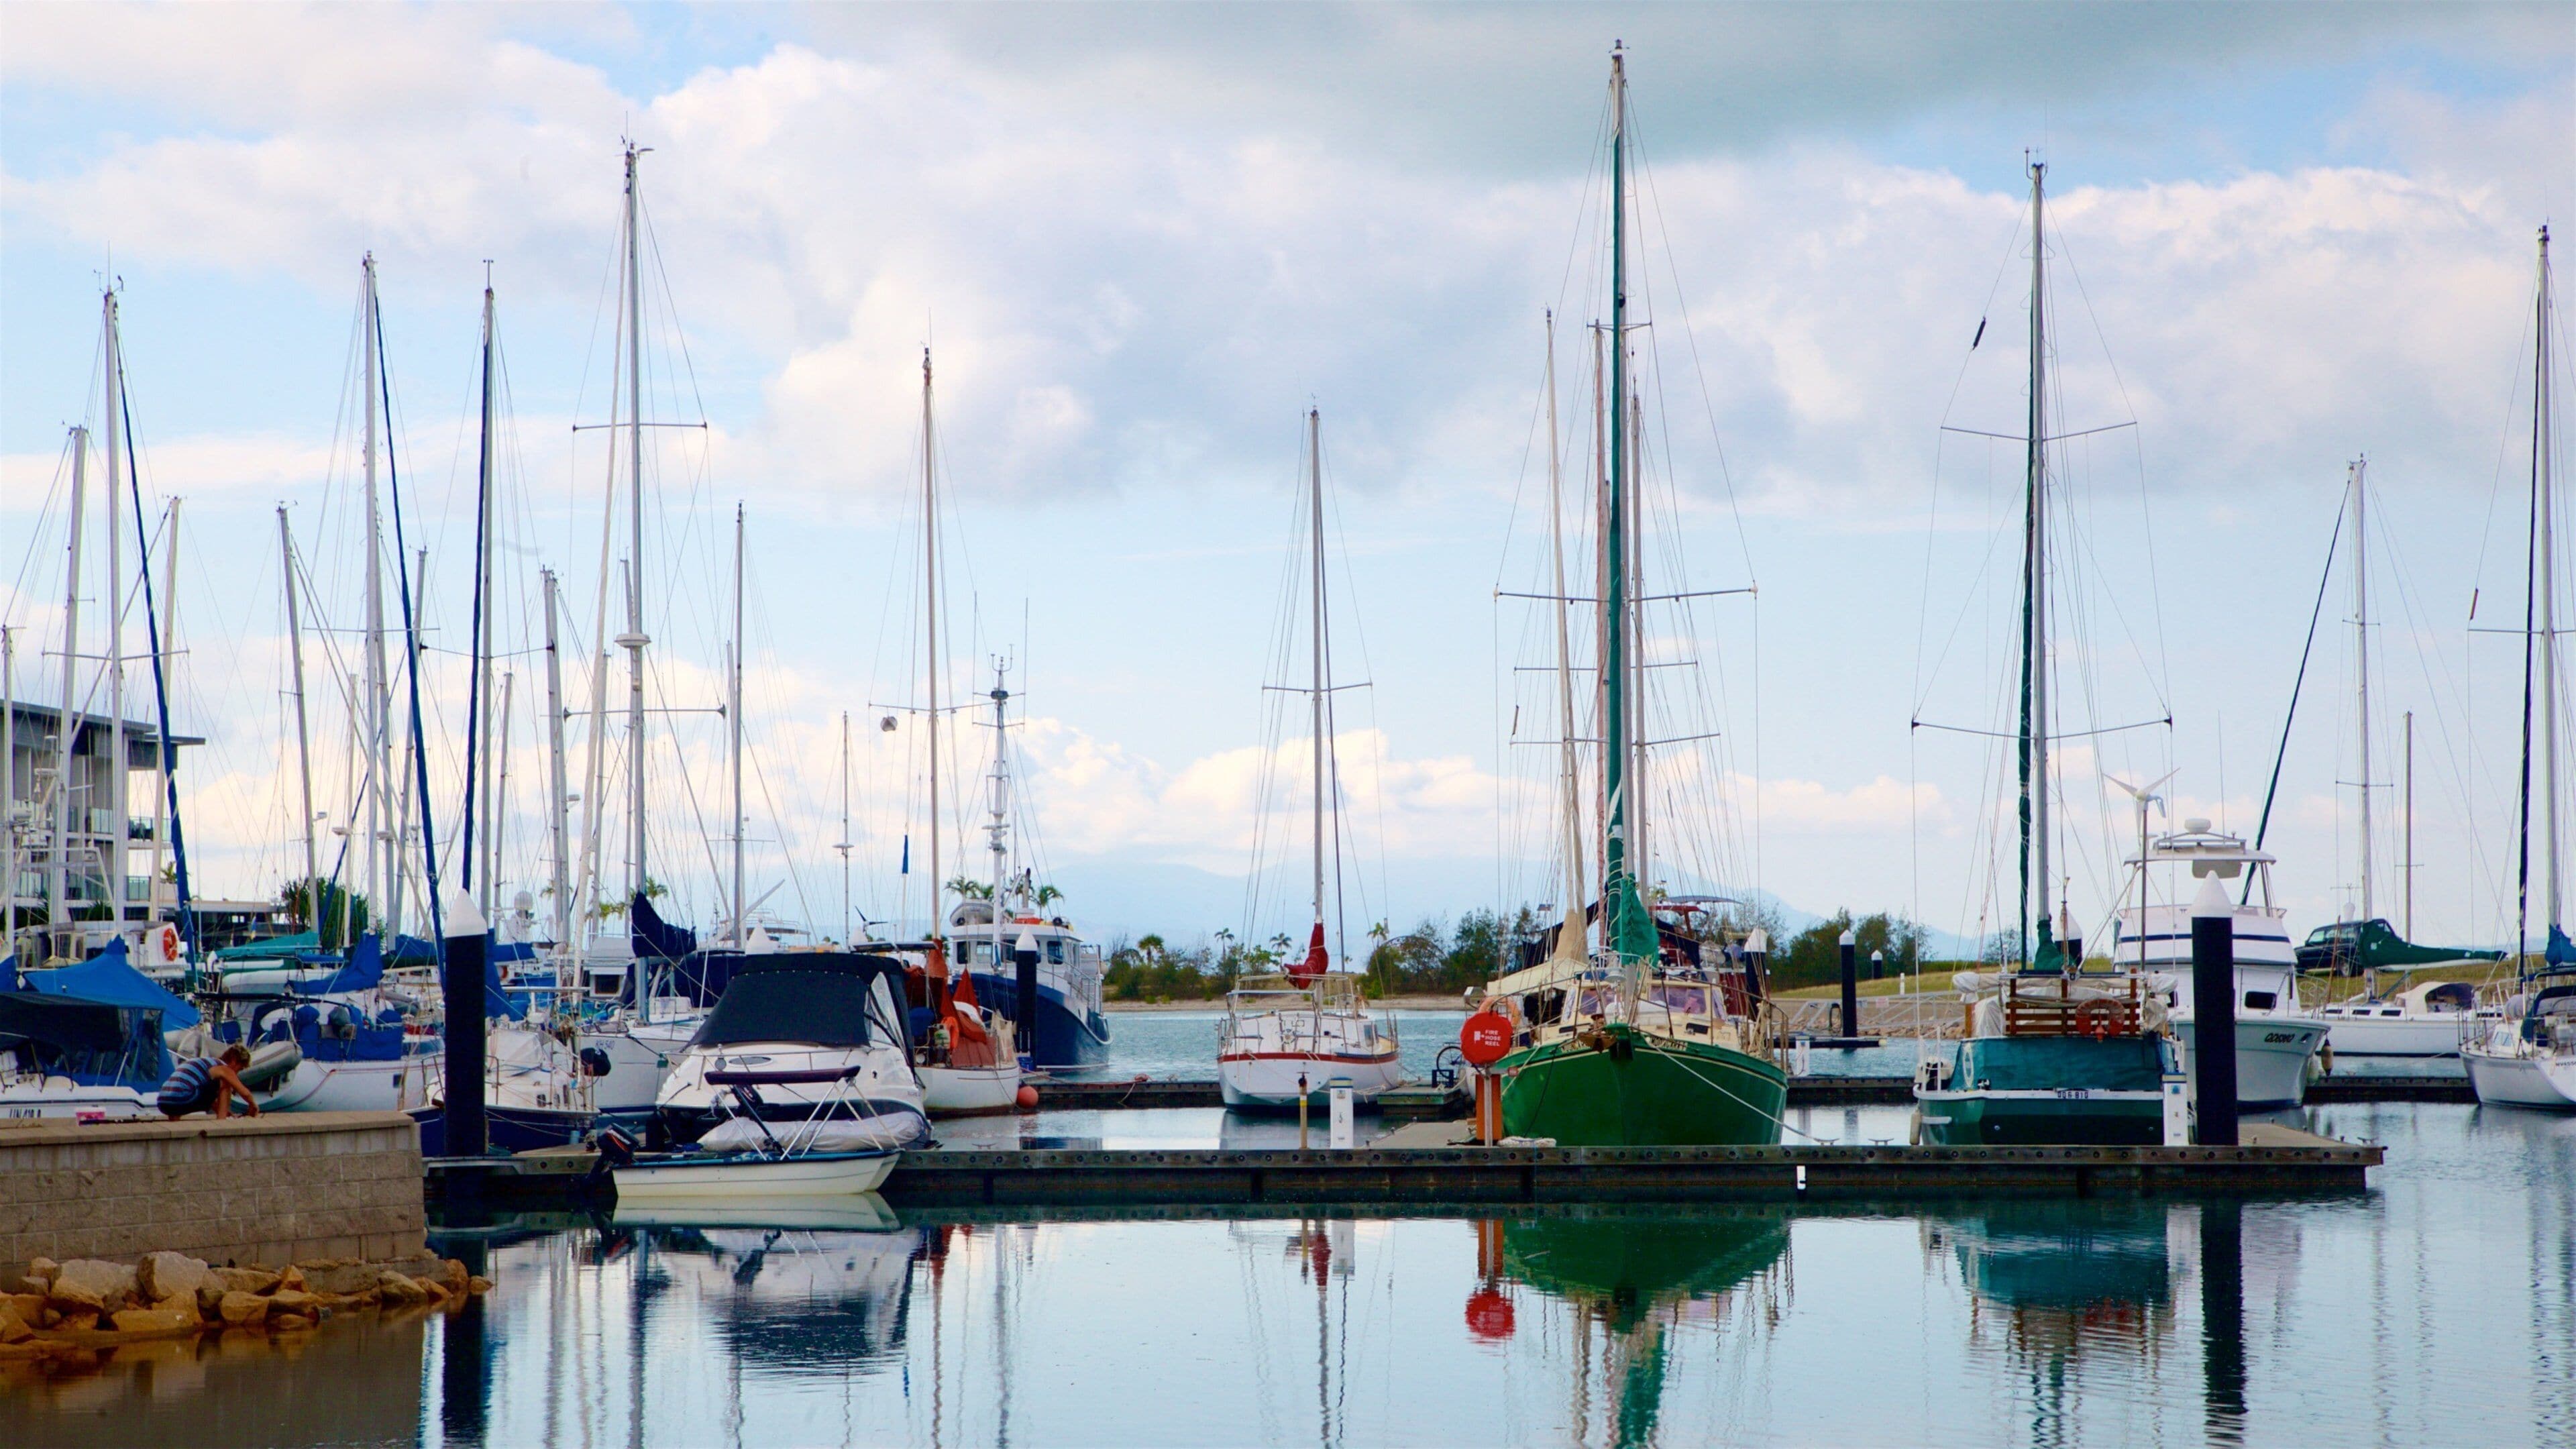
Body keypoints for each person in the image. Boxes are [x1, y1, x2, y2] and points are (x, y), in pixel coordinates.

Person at [159, 1044, 262, 1119]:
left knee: (186, 1088)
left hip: (164, 1102)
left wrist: (226, 1111)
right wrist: (253, 1105)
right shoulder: (223, 1068)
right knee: (226, 1083)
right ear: (234, 1061)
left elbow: (208, 1098)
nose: (238, 1073)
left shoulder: (206, 1063)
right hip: (183, 1097)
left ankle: (174, 1122)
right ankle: (222, 1123)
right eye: (240, 1069)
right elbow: (244, 1092)